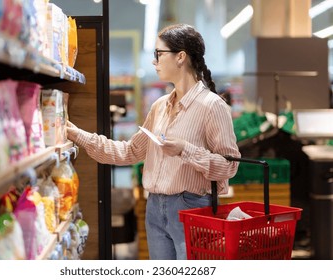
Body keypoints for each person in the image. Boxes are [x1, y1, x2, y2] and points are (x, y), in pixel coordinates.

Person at [66, 23, 240, 260]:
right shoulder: (159, 107)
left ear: (180, 57)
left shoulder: (212, 106)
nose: (154, 61)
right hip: (155, 208)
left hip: (191, 207)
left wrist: (185, 150)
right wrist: (77, 134)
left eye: (159, 54)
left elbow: (230, 165)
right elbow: (128, 152)